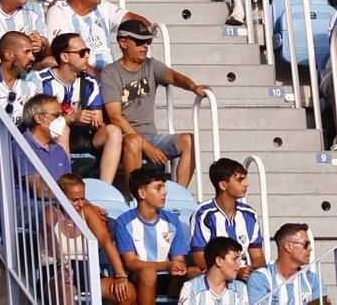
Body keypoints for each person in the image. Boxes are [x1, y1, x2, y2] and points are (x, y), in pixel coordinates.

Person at [100, 19, 210, 187]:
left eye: (148, 41)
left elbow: (173, 76)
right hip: (124, 137)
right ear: (123, 42)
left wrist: (193, 86)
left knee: (189, 140)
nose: (145, 46)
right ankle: (136, 200)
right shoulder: (110, 73)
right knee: (134, 141)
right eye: (139, 42)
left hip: (151, 136)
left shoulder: (151, 65)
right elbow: (115, 117)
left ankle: (179, 196)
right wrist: (146, 147)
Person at [36, 30, 123, 187]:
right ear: (64, 57)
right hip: (52, 135)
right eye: (82, 53)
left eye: (87, 51)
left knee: (114, 132)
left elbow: (96, 118)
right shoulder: (43, 81)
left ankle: (105, 188)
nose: (87, 56)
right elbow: (45, 122)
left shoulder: (90, 81)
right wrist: (72, 118)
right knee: (63, 128)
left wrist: (93, 120)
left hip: (83, 135)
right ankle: (65, 186)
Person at [113, 167, 191, 305]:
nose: (165, 192)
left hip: (169, 276)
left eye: (164, 188)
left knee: (194, 274)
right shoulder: (124, 222)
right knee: (148, 274)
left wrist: (179, 266)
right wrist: (166, 266)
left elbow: (178, 258)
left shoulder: (172, 220)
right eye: (158, 188)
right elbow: (131, 263)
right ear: (142, 193)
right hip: (140, 278)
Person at [189, 159, 266, 276]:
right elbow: (199, 258)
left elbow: (258, 256)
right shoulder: (204, 214)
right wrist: (233, 272)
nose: (246, 184)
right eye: (240, 180)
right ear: (223, 185)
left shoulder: (249, 214)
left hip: (243, 275)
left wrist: (255, 273)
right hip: (215, 276)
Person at [177, 235, 247, 305]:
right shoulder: (191, 288)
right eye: (234, 259)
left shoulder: (240, 289)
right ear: (219, 261)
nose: (239, 264)